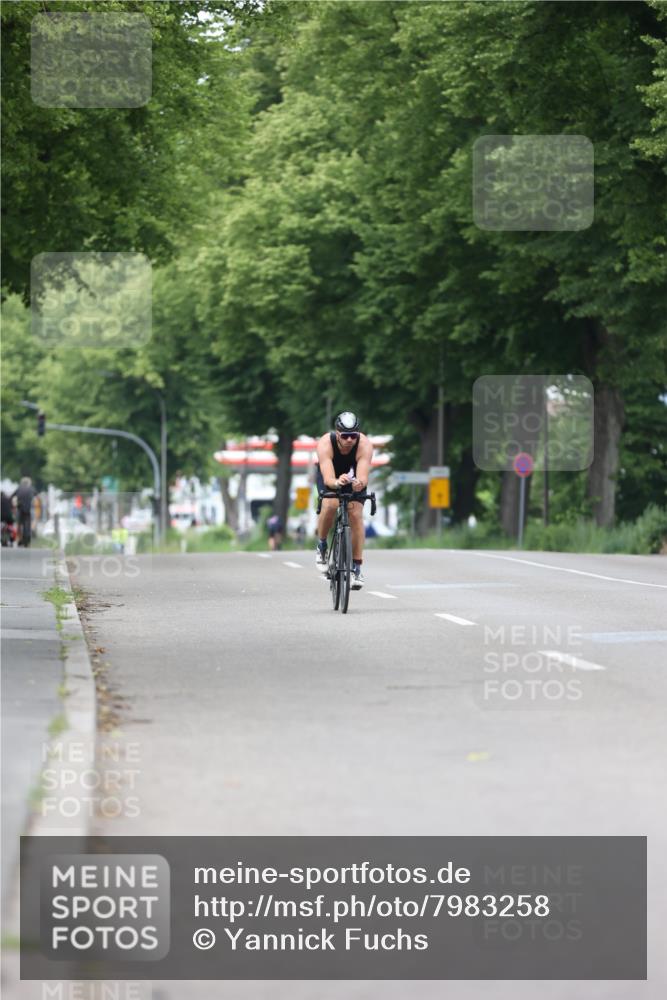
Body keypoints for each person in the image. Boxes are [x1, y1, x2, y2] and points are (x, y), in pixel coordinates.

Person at [315, 411, 373, 589]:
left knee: (355, 514)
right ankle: (322, 546)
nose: (349, 440)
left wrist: (359, 484)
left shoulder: (364, 444)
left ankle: (356, 568)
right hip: (331, 477)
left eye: (353, 436)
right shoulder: (325, 443)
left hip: (353, 480)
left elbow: (363, 476)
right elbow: (328, 479)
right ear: (337, 433)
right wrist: (336, 482)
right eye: (345, 436)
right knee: (331, 504)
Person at [13, 477, 36, 548]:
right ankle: (28, 538)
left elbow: (12, 496)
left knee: (18, 524)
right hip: (28, 509)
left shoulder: (19, 488)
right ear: (29, 483)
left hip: (20, 509)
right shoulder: (31, 489)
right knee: (29, 523)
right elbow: (36, 496)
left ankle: (19, 539)